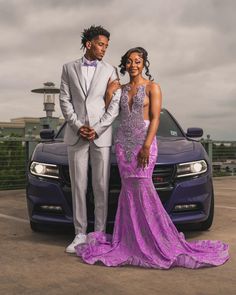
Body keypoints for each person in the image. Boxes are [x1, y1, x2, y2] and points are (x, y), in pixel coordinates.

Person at [75, 47, 229, 269]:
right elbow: (109, 112)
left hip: (143, 142)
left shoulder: (153, 87)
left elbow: (155, 118)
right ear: (125, 65)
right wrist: (110, 92)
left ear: (144, 63)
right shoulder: (122, 88)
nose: (133, 65)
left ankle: (154, 239)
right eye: (129, 61)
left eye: (138, 61)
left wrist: (147, 145)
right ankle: (130, 240)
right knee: (128, 192)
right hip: (123, 145)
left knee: (143, 187)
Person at [59, 25, 121, 253]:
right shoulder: (68, 68)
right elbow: (64, 100)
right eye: (101, 44)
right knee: (78, 186)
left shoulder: (111, 70)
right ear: (89, 44)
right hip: (76, 136)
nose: (104, 49)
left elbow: (114, 104)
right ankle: (80, 234)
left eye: (106, 46)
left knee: (101, 186)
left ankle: (100, 233)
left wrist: (97, 128)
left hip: (101, 136)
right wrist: (77, 126)